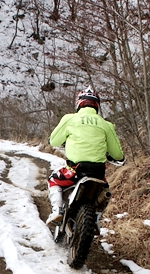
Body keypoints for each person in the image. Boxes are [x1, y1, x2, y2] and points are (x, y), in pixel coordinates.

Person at [45, 87, 125, 228]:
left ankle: (57, 210)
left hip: (75, 171)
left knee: (53, 180)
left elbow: (54, 141)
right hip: (98, 173)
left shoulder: (70, 119)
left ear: (79, 104)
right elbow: (117, 154)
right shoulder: (106, 125)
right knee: (105, 193)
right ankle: (95, 219)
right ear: (97, 105)